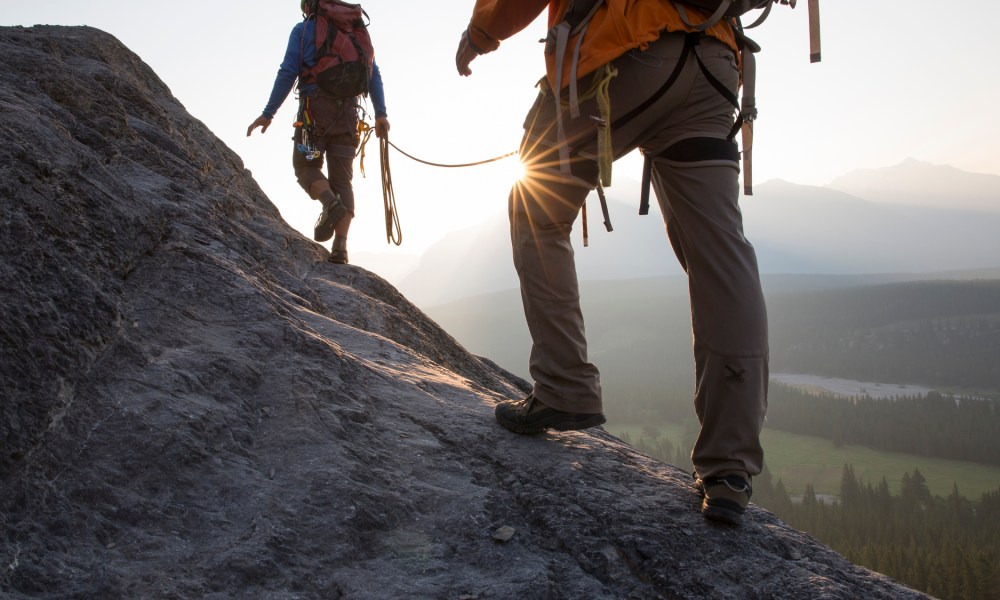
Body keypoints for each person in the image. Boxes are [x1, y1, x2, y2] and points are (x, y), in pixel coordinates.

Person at [455, 0, 769, 526]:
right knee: (721, 256)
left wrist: (482, 32)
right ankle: (729, 467)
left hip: (623, 54)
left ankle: (563, 387)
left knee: (536, 209)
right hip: (715, 62)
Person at [247, 0, 389, 264]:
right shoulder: (355, 33)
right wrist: (381, 114)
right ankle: (340, 248)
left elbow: (288, 71)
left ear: (308, 6)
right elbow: (374, 74)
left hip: (314, 117)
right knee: (343, 181)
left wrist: (268, 113)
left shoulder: (304, 30)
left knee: (305, 166)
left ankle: (329, 203)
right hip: (348, 116)